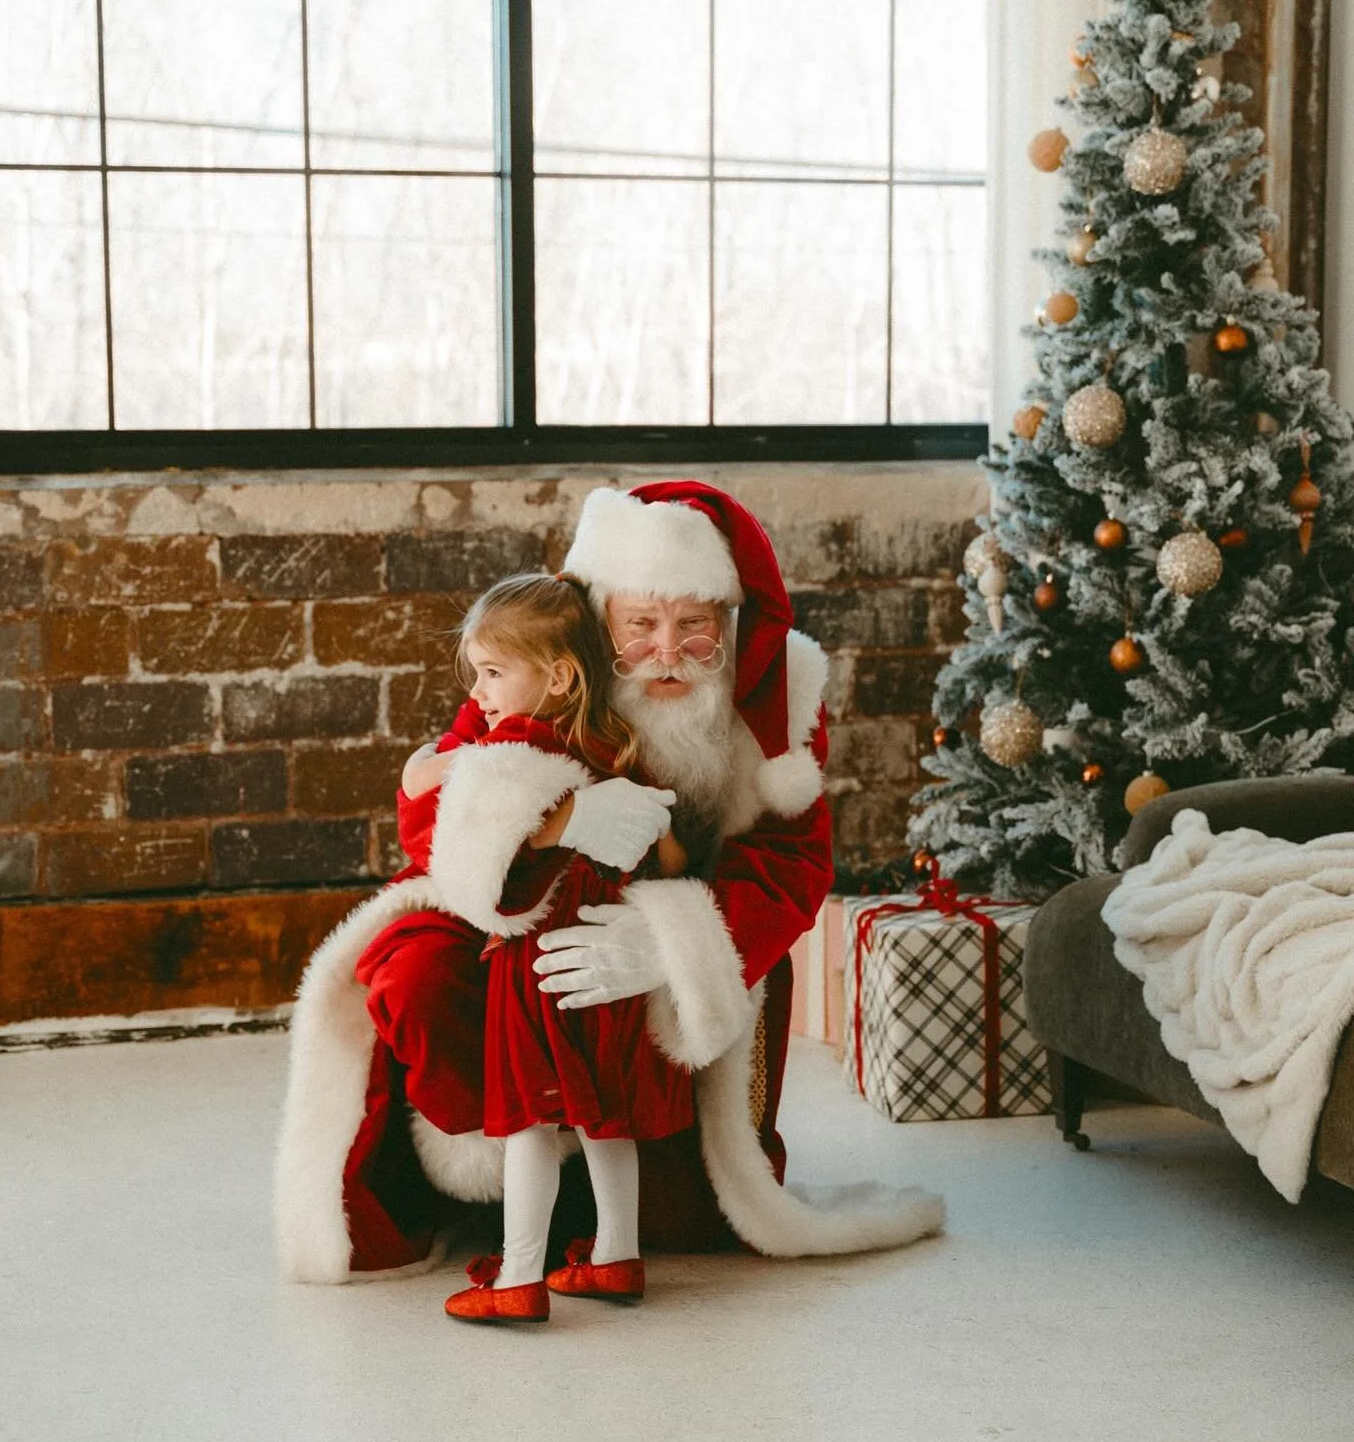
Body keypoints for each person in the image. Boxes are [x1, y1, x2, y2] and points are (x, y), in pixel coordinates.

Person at [275, 481, 943, 1284]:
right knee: (411, 973)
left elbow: (793, 867)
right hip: (514, 917)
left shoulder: (777, 708)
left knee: (686, 1213)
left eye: (695, 626)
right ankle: (473, 1189)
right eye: (642, 625)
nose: (667, 649)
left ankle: (607, 1219)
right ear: (602, 618)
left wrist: (667, 940)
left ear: (729, 624)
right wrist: (557, 823)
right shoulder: (543, 668)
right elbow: (431, 824)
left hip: (672, 936)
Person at [398, 572, 694, 1324]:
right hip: (610, 962)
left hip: (539, 969)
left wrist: (452, 766)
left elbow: (470, 861)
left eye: (494, 674)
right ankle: (615, 1258)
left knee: (531, 1121)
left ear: (559, 675)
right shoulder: (612, 745)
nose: (481, 693)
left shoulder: (511, 750)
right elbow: (669, 860)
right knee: (604, 1119)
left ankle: (520, 1275)